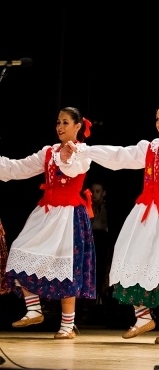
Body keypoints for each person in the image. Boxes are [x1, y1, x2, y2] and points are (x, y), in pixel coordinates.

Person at [86, 102, 159, 344]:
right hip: (145, 209)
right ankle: (143, 315)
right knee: (128, 257)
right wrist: (88, 151)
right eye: (157, 118)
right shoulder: (150, 147)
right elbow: (120, 155)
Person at [3, 107, 95, 339]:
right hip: (46, 213)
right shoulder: (48, 152)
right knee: (19, 252)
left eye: (65, 122)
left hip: (70, 215)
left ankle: (67, 325)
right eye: (58, 122)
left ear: (78, 126)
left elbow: (73, 169)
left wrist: (66, 156)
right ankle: (34, 309)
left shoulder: (83, 152)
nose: (60, 127)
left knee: (67, 267)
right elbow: (19, 168)